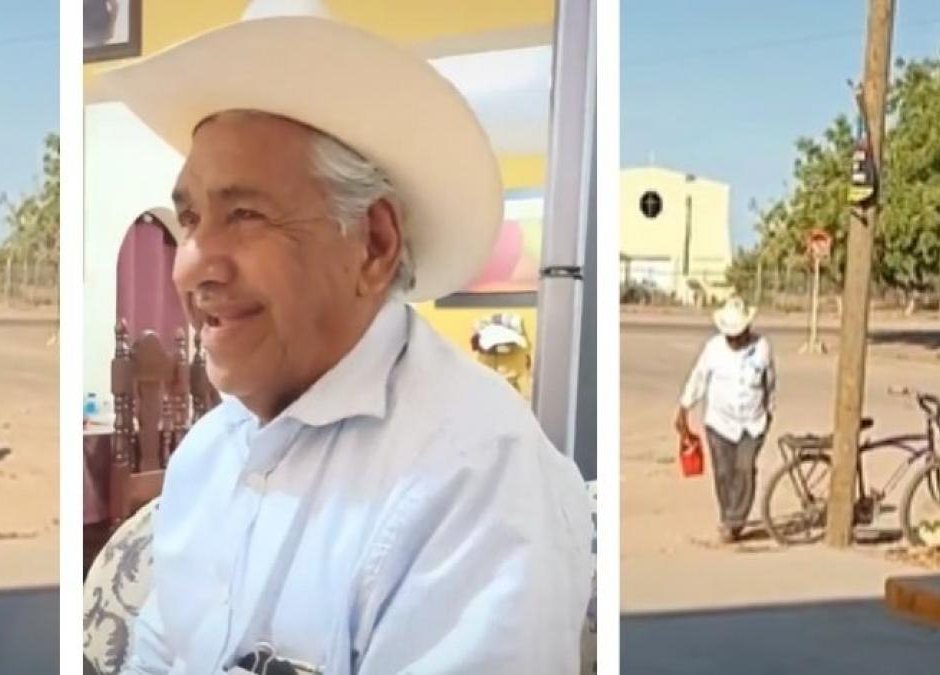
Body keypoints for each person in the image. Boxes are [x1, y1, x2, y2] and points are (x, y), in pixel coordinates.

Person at [93, 16, 593, 674]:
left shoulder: (478, 483)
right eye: (190, 219)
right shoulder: (207, 458)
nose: (191, 266)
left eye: (244, 214)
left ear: (374, 244)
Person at [675, 297, 776, 543]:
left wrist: (769, 412)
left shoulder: (762, 347)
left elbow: (770, 382)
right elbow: (698, 378)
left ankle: (735, 521)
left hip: (752, 422)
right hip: (720, 423)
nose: (734, 339)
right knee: (723, 472)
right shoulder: (714, 349)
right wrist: (684, 409)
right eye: (729, 335)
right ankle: (727, 515)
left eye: (738, 334)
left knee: (744, 469)